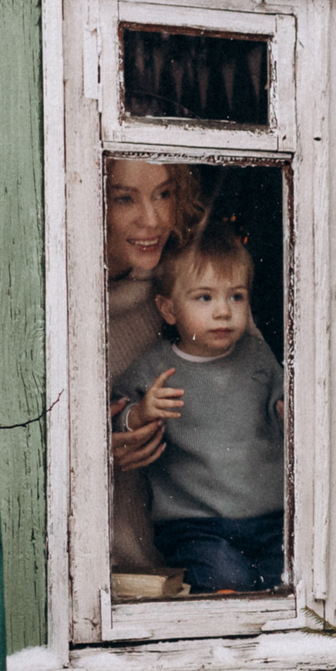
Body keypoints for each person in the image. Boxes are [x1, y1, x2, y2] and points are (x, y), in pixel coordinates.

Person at [111, 224, 287, 593]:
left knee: (285, 581)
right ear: (168, 309)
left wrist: (292, 414)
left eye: (236, 297)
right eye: (204, 298)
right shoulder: (156, 367)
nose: (223, 311)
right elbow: (115, 419)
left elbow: (286, 405)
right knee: (225, 580)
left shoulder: (257, 356)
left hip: (271, 518)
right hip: (194, 523)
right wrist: (139, 414)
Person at [104, 158, 206, 572]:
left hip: (189, 571)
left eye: (163, 194)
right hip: (88, 578)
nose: (152, 220)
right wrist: (87, 456)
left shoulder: (188, 284)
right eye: (124, 199)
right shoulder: (48, 292)